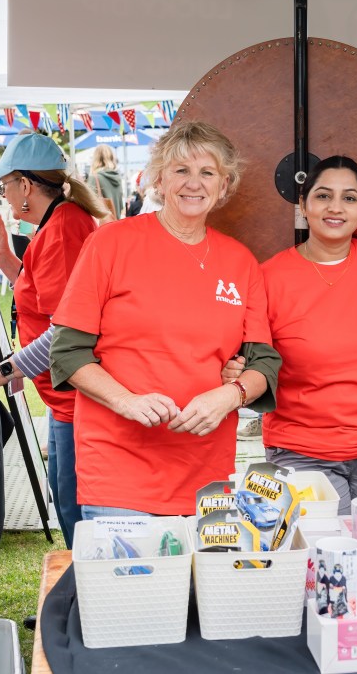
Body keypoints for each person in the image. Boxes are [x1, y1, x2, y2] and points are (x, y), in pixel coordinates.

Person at [48, 121, 281, 518]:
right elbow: (67, 353)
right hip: (117, 468)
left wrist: (230, 395)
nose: (195, 183)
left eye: (208, 172)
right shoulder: (111, 243)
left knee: (200, 583)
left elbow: (263, 363)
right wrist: (125, 400)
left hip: (206, 472)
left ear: (224, 186)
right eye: (181, 170)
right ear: (159, 178)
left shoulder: (240, 262)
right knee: (131, 582)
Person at [0, 133, 107, 548]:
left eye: (5, 184)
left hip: (74, 396)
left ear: (26, 186)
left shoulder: (63, 230)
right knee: (66, 499)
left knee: (73, 505)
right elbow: (39, 298)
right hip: (64, 394)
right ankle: (78, 593)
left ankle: (85, 597)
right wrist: (3, 254)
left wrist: (3, 371)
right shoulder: (58, 224)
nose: (3, 194)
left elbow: (67, 328)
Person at [245, 156, 357, 513]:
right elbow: (252, 362)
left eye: (349, 198)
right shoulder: (269, 277)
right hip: (303, 452)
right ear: (303, 205)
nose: (335, 207)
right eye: (322, 196)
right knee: (325, 560)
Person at [86, 145, 124, 220]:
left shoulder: (94, 178)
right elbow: (121, 206)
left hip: (102, 227)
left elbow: (88, 205)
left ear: (95, 158)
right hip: (116, 224)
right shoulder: (117, 177)